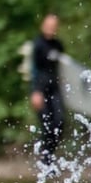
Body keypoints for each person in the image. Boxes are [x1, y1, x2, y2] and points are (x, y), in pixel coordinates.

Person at [28, 14, 66, 163]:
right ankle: (45, 160)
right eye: (48, 25)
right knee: (47, 125)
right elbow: (34, 70)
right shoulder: (38, 45)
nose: (51, 29)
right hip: (41, 89)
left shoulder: (58, 45)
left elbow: (62, 68)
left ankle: (50, 155)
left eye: (53, 26)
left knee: (59, 122)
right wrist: (35, 92)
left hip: (55, 89)